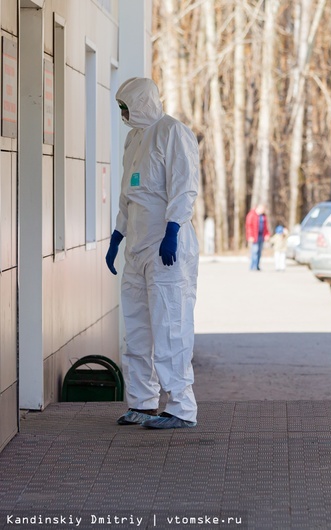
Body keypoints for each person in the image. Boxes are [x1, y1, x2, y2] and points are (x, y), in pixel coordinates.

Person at [105, 77, 199, 429]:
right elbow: (129, 194)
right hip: (137, 249)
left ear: (142, 102)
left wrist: (173, 229)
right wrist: (118, 233)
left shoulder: (173, 132)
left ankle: (181, 407)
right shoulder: (134, 139)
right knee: (138, 327)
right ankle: (142, 402)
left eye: (127, 106)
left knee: (170, 325)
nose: (124, 114)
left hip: (167, 250)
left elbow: (185, 185)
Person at [245, 204, 270, 270]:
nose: (263, 211)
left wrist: (267, 234)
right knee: (254, 251)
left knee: (259, 251)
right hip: (254, 236)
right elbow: (249, 226)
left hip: (261, 236)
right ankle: (253, 266)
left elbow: (265, 227)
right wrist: (250, 236)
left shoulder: (263, 216)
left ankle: (257, 265)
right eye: (262, 209)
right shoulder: (252, 215)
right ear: (258, 208)